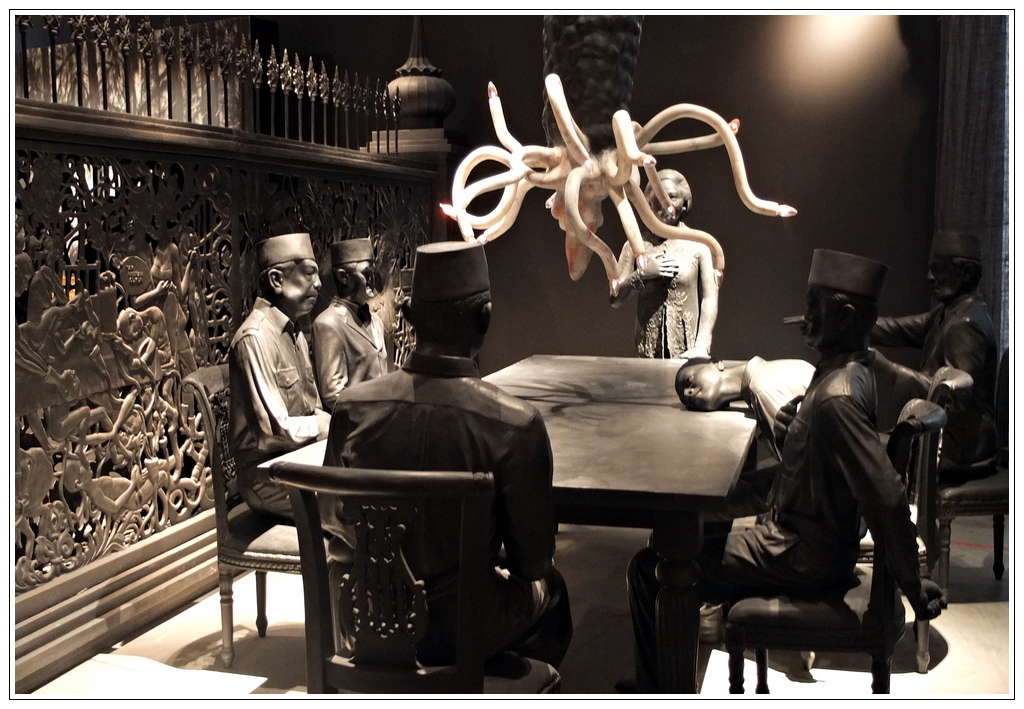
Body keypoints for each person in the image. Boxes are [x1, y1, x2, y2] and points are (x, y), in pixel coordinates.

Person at [624, 249, 945, 693]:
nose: (804, 315)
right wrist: (797, 428)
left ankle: (660, 692)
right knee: (694, 532)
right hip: (800, 540)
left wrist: (913, 583)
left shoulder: (837, 397)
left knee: (652, 567)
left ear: (846, 317)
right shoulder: (849, 372)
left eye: (815, 306)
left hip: (800, 555)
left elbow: (886, 496)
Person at [321, 240, 573, 669]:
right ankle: (488, 674)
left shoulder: (352, 409)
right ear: (485, 316)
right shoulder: (516, 425)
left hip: (370, 619)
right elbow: (533, 563)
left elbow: (336, 526)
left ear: (410, 316)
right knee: (553, 591)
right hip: (464, 625)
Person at [871, 230, 998, 475]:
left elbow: (952, 398)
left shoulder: (967, 324)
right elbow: (898, 329)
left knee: (861, 454)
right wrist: (853, 324)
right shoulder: (949, 312)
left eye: (938, 269)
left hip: (960, 447)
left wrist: (887, 368)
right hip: (943, 435)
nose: (929, 277)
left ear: (966, 273)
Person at [229, 232, 331, 520]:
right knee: (351, 505)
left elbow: (312, 407)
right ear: (276, 280)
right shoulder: (253, 338)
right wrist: (325, 426)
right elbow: (271, 431)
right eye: (309, 273)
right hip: (267, 476)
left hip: (301, 459)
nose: (318, 283)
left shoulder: (295, 333)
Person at [611, 169, 719, 360]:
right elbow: (615, 298)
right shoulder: (635, 245)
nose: (665, 204)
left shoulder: (698, 246)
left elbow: (709, 298)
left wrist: (702, 345)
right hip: (646, 349)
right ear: (649, 205)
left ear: (684, 204)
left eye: (672, 197)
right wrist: (642, 274)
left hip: (687, 349)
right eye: (658, 199)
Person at [676, 357, 815, 462]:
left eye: (688, 380)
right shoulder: (768, 373)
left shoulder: (761, 388)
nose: (688, 393)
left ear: (717, 363)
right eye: (684, 399)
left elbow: (798, 467)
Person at [312, 238, 389, 413]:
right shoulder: (328, 324)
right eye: (366, 273)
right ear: (343, 276)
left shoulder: (376, 321)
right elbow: (334, 395)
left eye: (373, 272)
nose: (372, 279)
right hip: (357, 424)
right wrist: (377, 408)